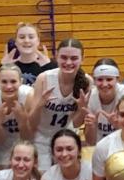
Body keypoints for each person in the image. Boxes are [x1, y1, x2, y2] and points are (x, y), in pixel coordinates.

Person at [27, 38, 91, 171]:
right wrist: (40, 105)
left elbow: (77, 124)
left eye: (74, 58)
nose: (68, 62)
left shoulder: (87, 82)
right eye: (64, 57)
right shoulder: (44, 78)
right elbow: (31, 122)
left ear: (82, 59)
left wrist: (82, 110)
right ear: (56, 57)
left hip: (67, 136)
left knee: (66, 177)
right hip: (42, 137)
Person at [0, 64, 34, 172]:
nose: (9, 86)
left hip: (25, 142)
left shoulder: (29, 96)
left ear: (21, 81)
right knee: (3, 179)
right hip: (0, 145)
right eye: (4, 82)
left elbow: (28, 137)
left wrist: (22, 121)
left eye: (13, 81)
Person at [84, 58, 124, 146]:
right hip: (101, 148)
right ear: (94, 80)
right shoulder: (90, 98)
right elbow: (90, 142)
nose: (104, 84)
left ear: (117, 79)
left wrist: (118, 125)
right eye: (100, 80)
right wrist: (92, 126)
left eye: (109, 79)